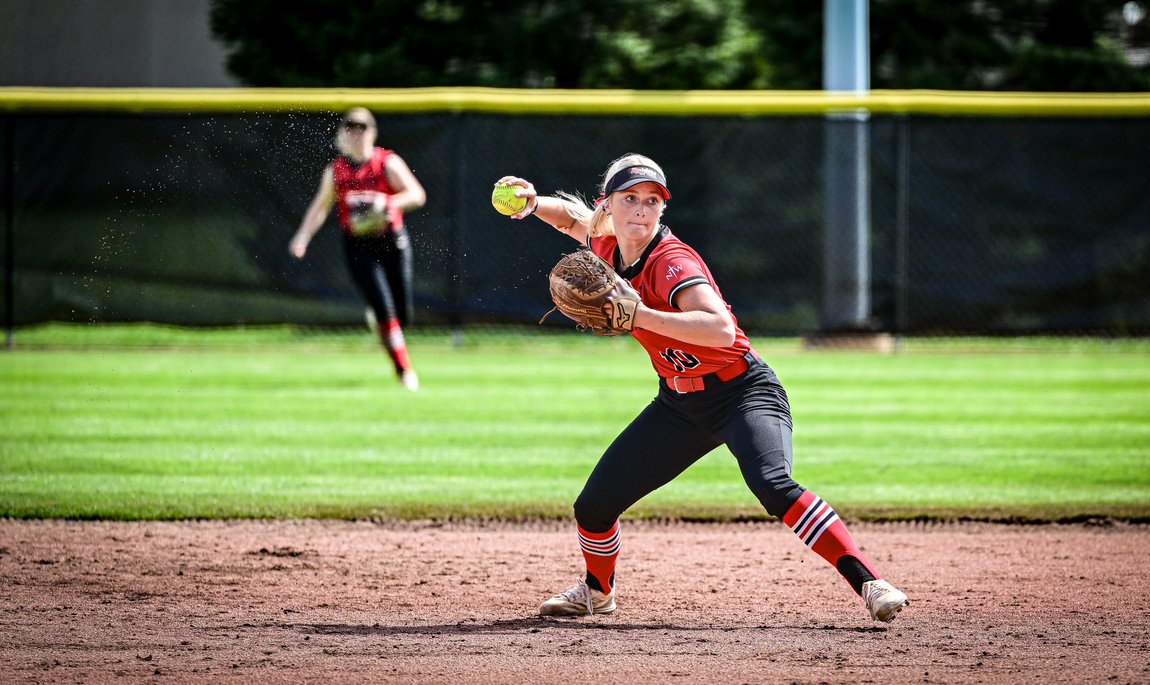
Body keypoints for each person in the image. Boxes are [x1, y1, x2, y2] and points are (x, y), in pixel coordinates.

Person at [494, 154, 909, 622]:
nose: (641, 210)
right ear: (606, 206)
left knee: (773, 485)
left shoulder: (672, 261)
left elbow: (720, 331)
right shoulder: (607, 247)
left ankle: (870, 583)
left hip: (743, 393)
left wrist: (641, 316)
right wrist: (531, 204)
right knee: (593, 506)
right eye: (629, 199)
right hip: (679, 405)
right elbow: (571, 219)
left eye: (652, 201)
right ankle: (598, 591)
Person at [290, 107, 427, 391]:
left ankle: (381, 321)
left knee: (402, 315)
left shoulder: (387, 163)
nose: (357, 133)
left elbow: (417, 195)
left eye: (362, 127)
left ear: (373, 132)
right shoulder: (336, 170)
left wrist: (387, 203)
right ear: (344, 134)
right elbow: (321, 206)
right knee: (385, 309)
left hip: (391, 241)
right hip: (358, 245)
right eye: (351, 128)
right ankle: (404, 372)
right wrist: (303, 236)